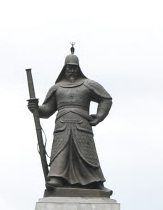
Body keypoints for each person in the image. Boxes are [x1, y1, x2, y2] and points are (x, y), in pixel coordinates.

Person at [28, 49, 112, 191]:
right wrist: (35, 108)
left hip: (82, 125)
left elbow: (106, 99)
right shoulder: (57, 88)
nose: (72, 70)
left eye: (74, 67)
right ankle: (57, 177)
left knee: (87, 153)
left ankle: (95, 181)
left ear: (78, 68)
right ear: (64, 68)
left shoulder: (88, 84)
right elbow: (47, 110)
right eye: (69, 67)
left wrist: (99, 117)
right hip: (62, 125)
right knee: (61, 151)